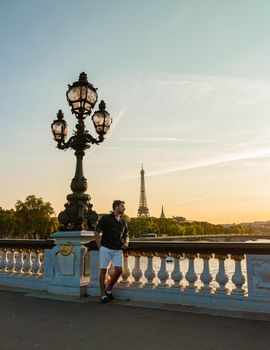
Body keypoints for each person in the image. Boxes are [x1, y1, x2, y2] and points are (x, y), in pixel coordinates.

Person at [94, 200, 129, 304]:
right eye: (122, 206)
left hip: (117, 250)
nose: (124, 208)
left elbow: (126, 234)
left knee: (119, 270)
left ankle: (108, 289)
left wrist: (126, 242)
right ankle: (102, 294)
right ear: (116, 207)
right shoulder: (106, 218)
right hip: (106, 248)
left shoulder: (123, 222)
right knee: (103, 271)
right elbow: (96, 231)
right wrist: (100, 246)